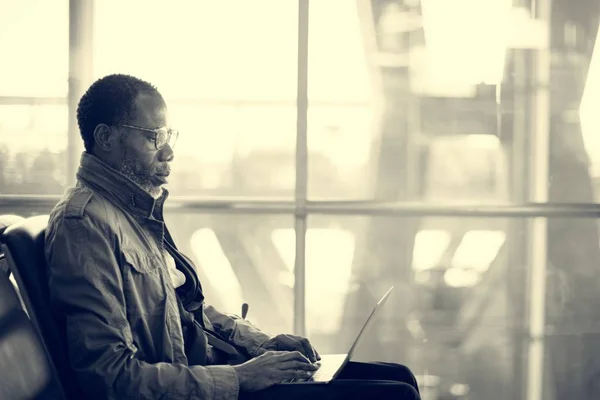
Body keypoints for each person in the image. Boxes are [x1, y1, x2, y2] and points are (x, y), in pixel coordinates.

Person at [44, 73, 420, 400]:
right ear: (106, 138)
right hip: (209, 387)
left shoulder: (134, 212)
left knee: (399, 376)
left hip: (216, 372)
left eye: (168, 135)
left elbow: (182, 312)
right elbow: (109, 376)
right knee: (395, 394)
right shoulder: (84, 225)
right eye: (154, 137)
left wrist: (260, 345)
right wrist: (241, 378)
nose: (169, 151)